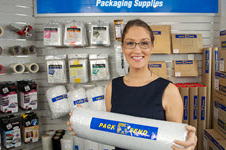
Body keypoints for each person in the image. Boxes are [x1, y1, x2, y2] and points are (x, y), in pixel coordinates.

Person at [68, 19, 197, 150]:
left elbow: (175, 140)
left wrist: (190, 140)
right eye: (130, 43)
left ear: (152, 47)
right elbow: (114, 131)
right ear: (123, 47)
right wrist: (82, 121)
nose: (137, 50)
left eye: (144, 43)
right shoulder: (112, 87)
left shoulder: (168, 90)